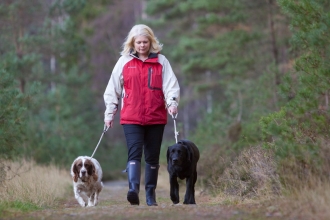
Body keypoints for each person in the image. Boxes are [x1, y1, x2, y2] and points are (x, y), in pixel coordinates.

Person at [103, 24, 180, 206]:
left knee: (152, 156)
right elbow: (112, 89)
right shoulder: (123, 62)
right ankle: (133, 190)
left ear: (151, 42)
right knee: (134, 153)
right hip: (131, 116)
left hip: (156, 116)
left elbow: (171, 86)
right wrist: (109, 113)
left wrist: (172, 103)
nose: (142, 45)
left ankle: (150, 195)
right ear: (133, 43)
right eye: (138, 42)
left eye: (145, 42)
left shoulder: (161, 61)